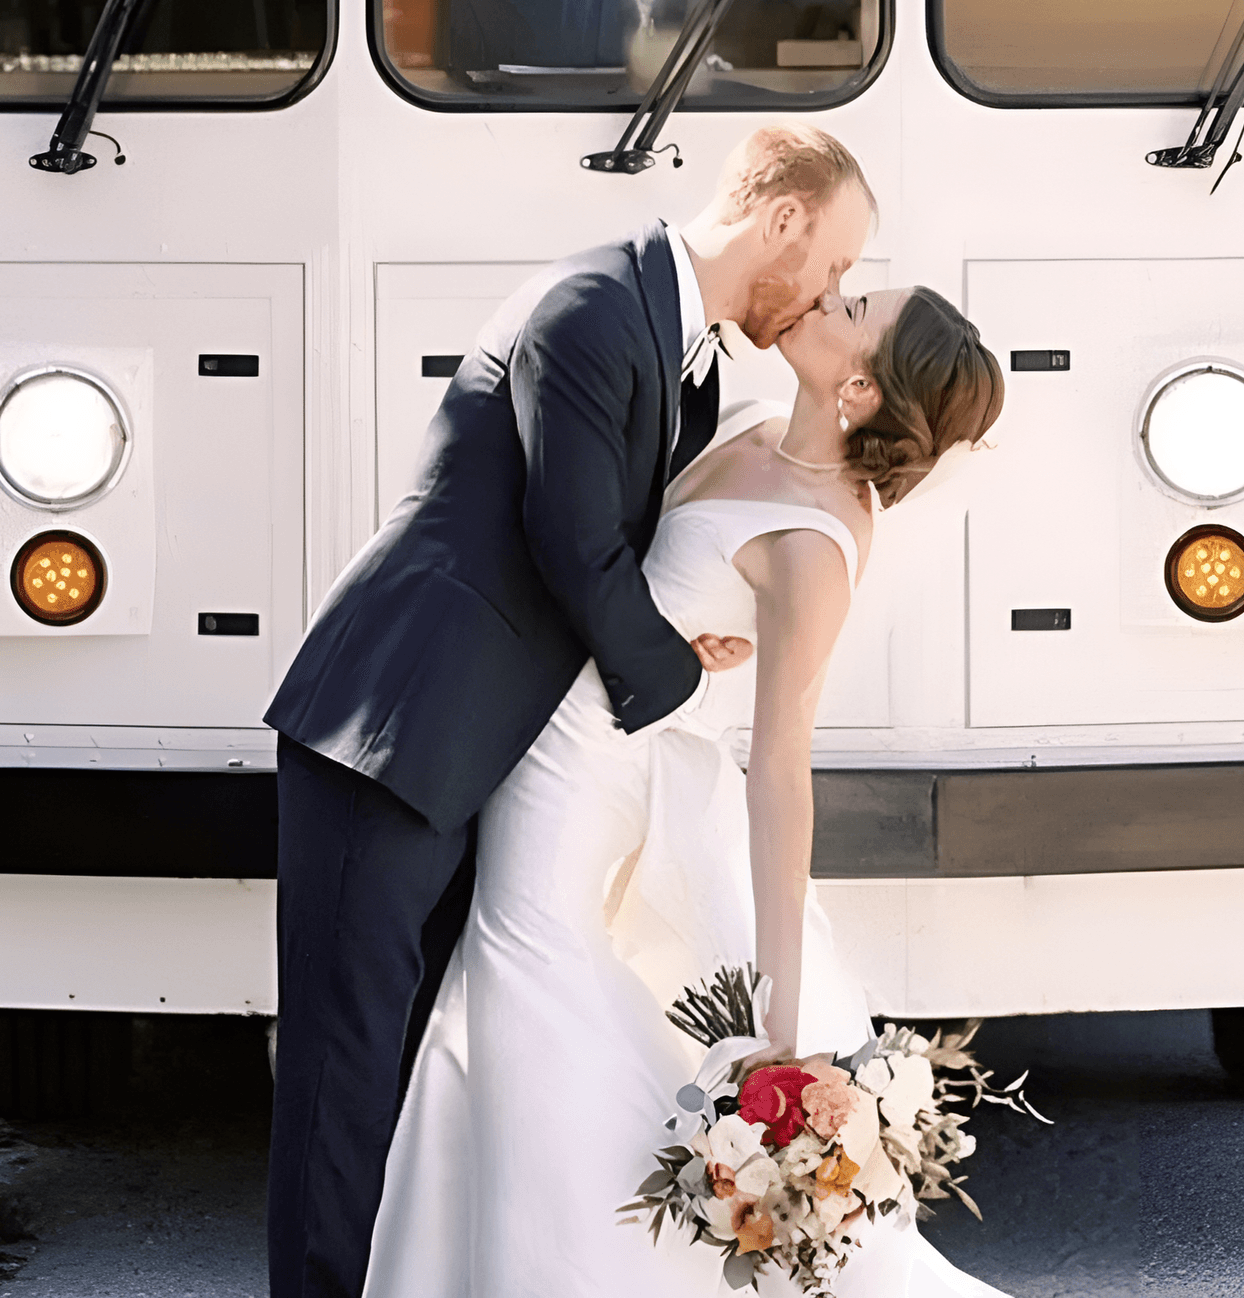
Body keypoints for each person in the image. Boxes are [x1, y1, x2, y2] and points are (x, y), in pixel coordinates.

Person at [264, 124, 877, 1298]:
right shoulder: (593, 306)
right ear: (784, 218)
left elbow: (608, 558)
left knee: (398, 1071)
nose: (830, 289)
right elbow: (571, 541)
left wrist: (667, 631)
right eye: (835, 262)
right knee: (343, 1080)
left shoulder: (689, 363)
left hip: (471, 755)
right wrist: (679, 673)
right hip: (389, 729)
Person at [362, 283, 1009, 1297]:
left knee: (521, 981)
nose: (829, 293)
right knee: (513, 1000)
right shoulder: (749, 421)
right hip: (569, 728)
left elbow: (784, 765)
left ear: (859, 383)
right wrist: (664, 640)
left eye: (855, 307)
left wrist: (786, 1020)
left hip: (592, 769)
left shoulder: (816, 541)